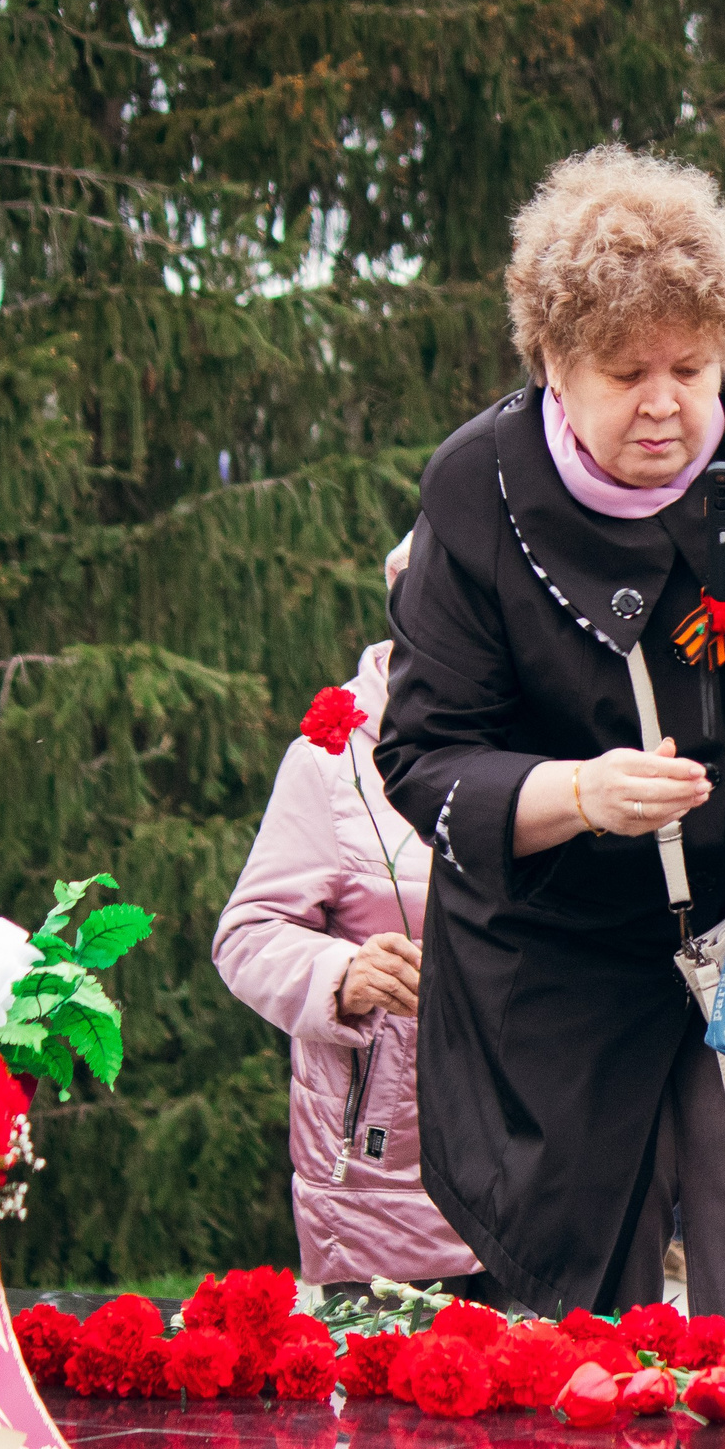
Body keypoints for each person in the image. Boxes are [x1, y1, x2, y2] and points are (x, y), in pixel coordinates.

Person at [375, 146, 725, 1323]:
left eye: (693, 365)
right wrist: (575, 794)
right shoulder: (476, 488)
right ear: (551, 368)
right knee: (567, 1300)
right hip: (556, 950)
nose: (668, 404)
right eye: (625, 373)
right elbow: (424, 757)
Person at [213, 538, 480, 1296]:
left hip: (541, 1169)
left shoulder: (543, 745)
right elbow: (247, 935)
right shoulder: (331, 762)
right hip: (384, 1186)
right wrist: (343, 974)